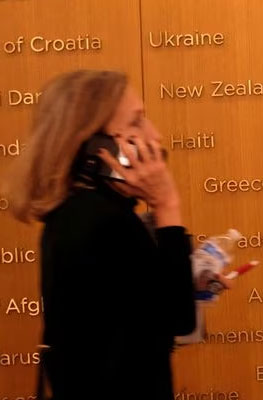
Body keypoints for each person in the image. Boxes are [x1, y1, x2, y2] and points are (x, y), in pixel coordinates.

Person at [2, 70, 196, 400]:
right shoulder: (103, 222)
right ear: (96, 146)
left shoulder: (77, 214)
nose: (156, 135)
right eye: (136, 122)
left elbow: (130, 312)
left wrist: (190, 276)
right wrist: (167, 204)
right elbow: (177, 318)